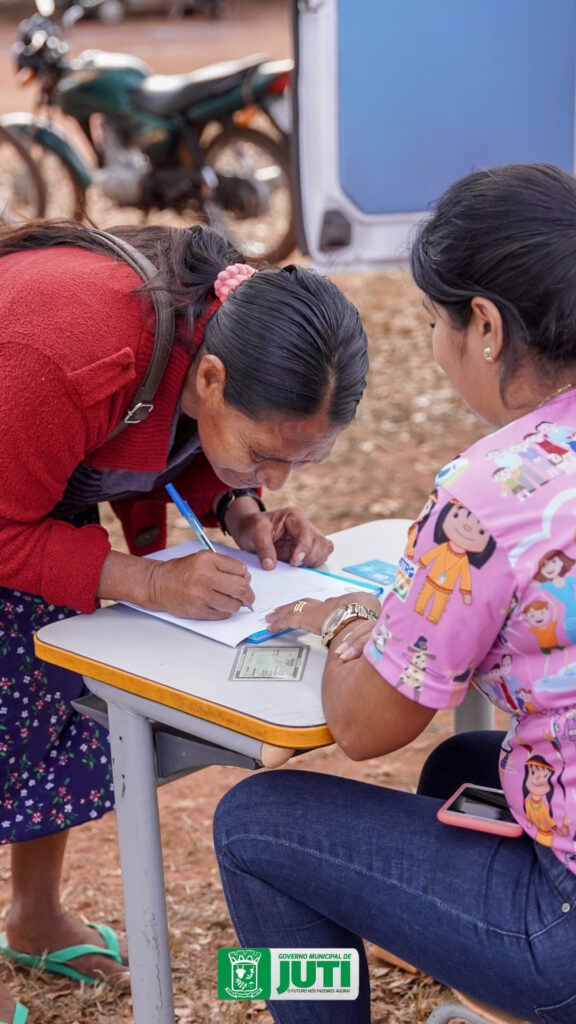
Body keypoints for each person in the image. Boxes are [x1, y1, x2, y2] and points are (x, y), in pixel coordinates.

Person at [213, 163, 576, 1024]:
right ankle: (475, 978)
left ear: (485, 325)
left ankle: (315, 1001)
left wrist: (346, 618)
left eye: (434, 326)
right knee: (459, 768)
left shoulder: (491, 492)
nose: (442, 352)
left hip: (561, 926)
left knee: (252, 824)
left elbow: (364, 730)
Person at [0, 219, 368, 1024]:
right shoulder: (71, 354)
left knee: (48, 690)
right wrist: (142, 581)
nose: (277, 477)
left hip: (24, 468)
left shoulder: (236, 319)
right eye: (266, 454)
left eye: (301, 462)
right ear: (208, 375)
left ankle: (31, 915)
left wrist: (238, 507)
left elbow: (174, 440)